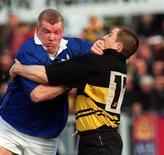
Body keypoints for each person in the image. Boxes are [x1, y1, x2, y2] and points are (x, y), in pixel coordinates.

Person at [0, 9, 104, 155]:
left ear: (63, 31)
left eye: (57, 32)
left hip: (45, 137)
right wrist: (73, 80)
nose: (52, 37)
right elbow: (38, 95)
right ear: (37, 30)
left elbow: (101, 55)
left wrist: (102, 46)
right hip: (10, 127)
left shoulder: (74, 46)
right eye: (46, 32)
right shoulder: (29, 50)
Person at [9, 26, 139, 155]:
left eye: (110, 35)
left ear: (118, 46)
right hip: (104, 138)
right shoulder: (119, 66)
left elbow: (46, 75)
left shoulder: (97, 63)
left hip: (98, 141)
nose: (104, 36)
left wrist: (18, 69)